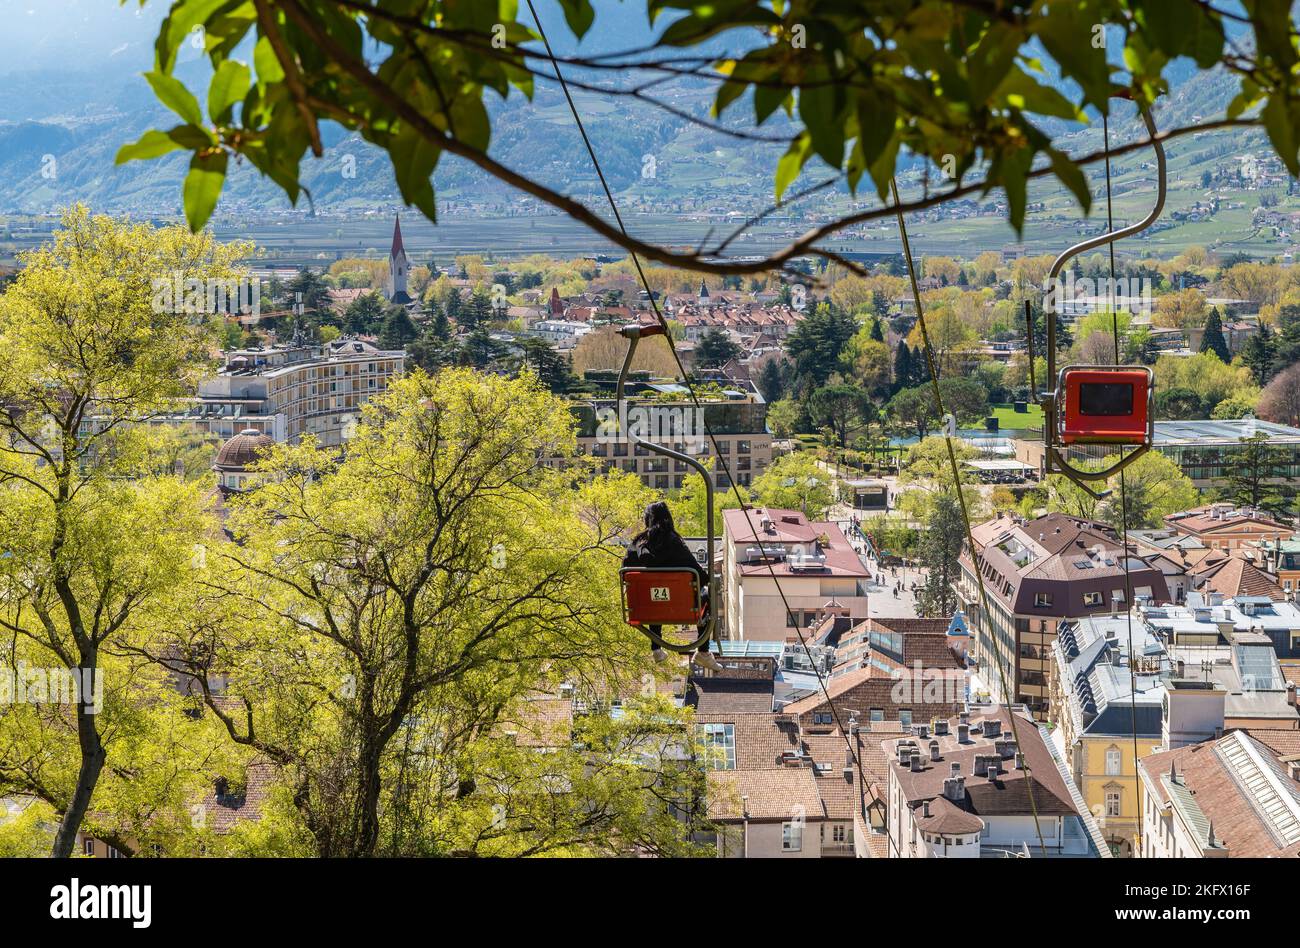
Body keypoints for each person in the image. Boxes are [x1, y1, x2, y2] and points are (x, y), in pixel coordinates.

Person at [623, 501, 723, 671]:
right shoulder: (673, 542)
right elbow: (700, 575)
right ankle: (703, 652)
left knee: (654, 594)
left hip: (646, 607)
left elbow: (625, 571)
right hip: (681, 606)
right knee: (707, 594)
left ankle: (656, 648)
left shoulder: (637, 543)